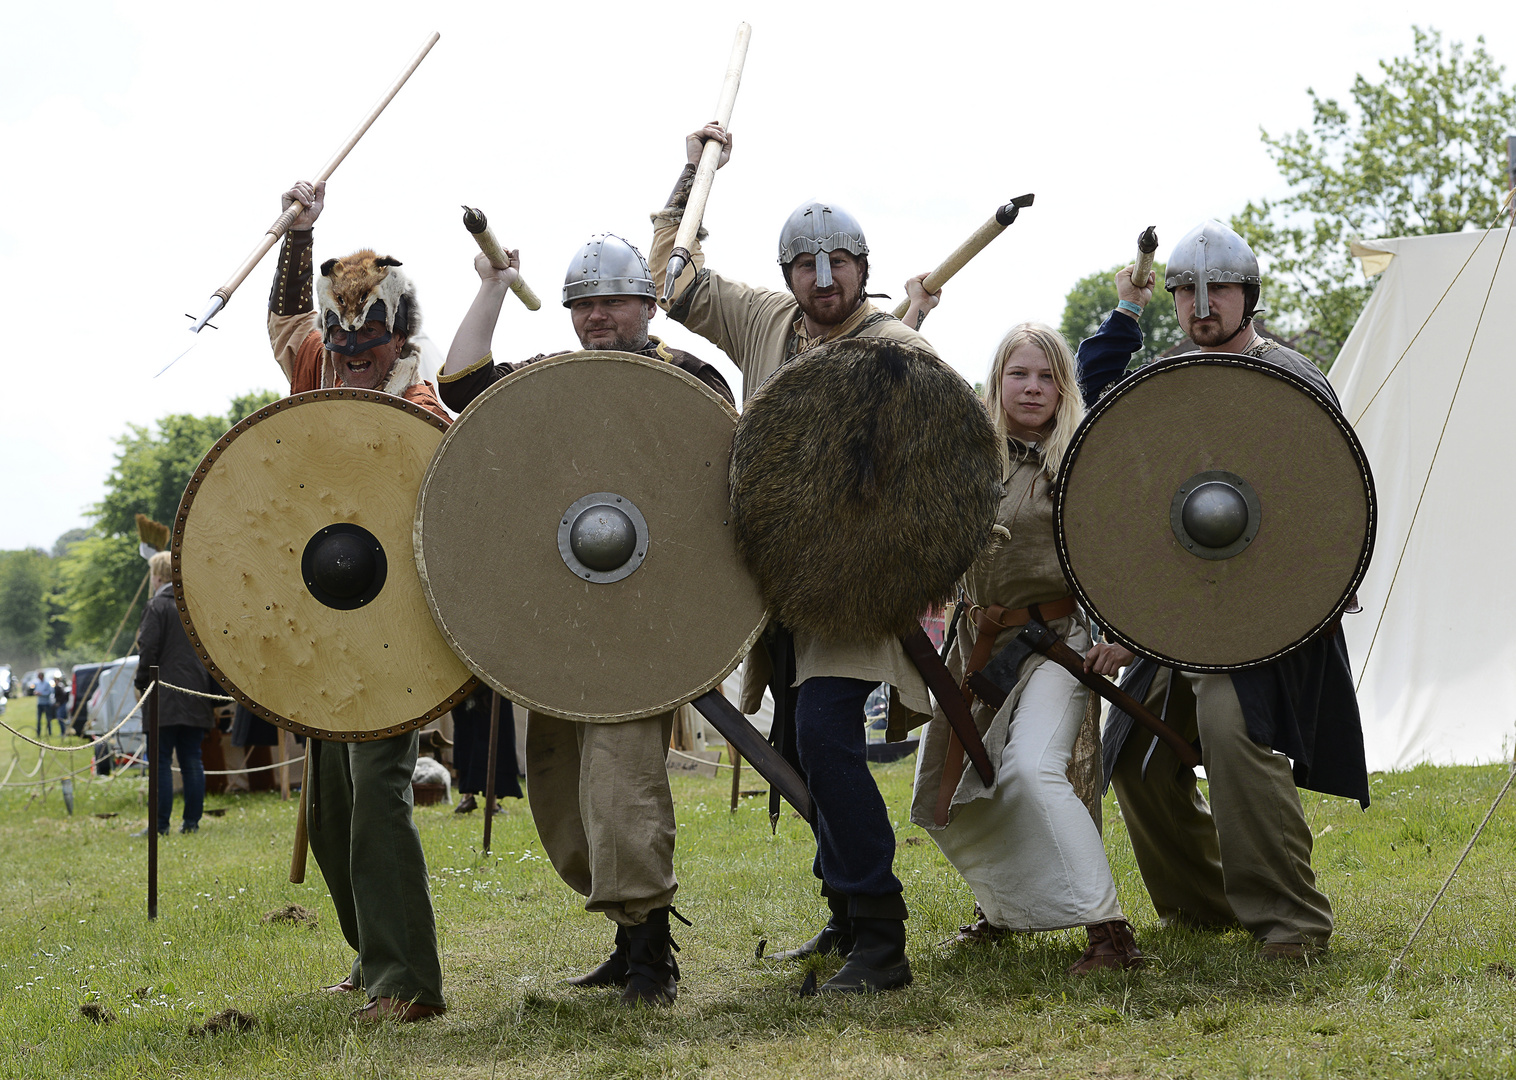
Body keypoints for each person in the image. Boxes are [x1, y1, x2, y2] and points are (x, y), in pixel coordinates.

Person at [649, 123, 941, 993]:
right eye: (806, 266)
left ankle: (881, 942)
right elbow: (672, 277)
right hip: (780, 589)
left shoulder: (901, 353)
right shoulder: (767, 322)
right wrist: (694, 170)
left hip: (857, 594)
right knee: (808, 750)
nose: (822, 280)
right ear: (787, 277)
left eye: (838, 264)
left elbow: (949, 474)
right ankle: (847, 915)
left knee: (823, 737)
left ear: (862, 265)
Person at [439, 232, 731, 1007]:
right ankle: (624, 935)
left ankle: (651, 959)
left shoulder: (692, 381)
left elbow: (714, 494)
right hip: (563, 617)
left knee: (622, 785)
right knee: (561, 784)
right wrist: (496, 287)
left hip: (645, 622)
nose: (597, 316)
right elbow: (461, 386)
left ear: (647, 304)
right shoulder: (552, 381)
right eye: (583, 304)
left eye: (612, 301)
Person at [1078, 220, 1370, 960]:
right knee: (1135, 747)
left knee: (1234, 727)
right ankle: (1203, 906)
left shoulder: (1293, 380)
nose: (1203, 304)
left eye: (1219, 289)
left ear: (1249, 294)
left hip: (1270, 619)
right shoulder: (1167, 381)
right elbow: (1103, 412)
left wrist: (1309, 598)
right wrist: (1127, 312)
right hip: (1181, 612)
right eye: (1187, 292)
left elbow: (1331, 506)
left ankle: (1291, 923)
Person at [266, 180, 446, 1021]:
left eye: (364, 347)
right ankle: (372, 954)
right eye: (340, 347)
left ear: (396, 339)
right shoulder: (320, 365)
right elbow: (286, 329)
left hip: (397, 631)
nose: (347, 361)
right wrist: (300, 235)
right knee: (332, 804)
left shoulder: (420, 411)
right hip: (326, 623)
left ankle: (407, 979)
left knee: (377, 792)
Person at [909, 323, 1142, 972]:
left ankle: (1110, 932)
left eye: (1047, 376)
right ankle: (1005, 909)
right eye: (1021, 374)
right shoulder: (965, 457)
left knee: (1031, 773)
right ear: (998, 382)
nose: (1033, 388)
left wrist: (1120, 634)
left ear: (1063, 386)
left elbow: (1124, 551)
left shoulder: (1082, 458)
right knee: (948, 798)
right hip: (978, 648)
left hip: (1056, 642)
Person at [133, 550, 214, 834]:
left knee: (161, 762)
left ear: (157, 577)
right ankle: (191, 823)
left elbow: (149, 651)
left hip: (163, 695)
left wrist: (141, 682)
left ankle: (159, 826)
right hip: (197, 695)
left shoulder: (156, 606)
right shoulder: (194, 606)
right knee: (192, 759)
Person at [450, 683, 522, 814]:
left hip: (482, 681)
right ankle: (487, 802)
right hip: (475, 680)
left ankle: (473, 797)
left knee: (490, 733)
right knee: (472, 733)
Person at [34, 672, 55, 738]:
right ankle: (38, 733)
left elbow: (49, 692)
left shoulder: (47, 683)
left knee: (48, 719)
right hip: (40, 703)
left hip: (46, 703)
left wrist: (41, 693)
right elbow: (35, 690)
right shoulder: (37, 683)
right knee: (39, 719)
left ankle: (49, 732)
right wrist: (36, 693)